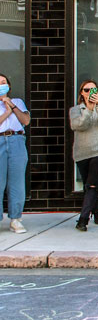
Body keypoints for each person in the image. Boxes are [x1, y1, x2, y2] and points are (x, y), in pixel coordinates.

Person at [70, 80, 98, 232]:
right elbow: (79, 126)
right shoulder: (76, 110)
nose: (90, 92)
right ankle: (96, 212)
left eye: (93, 89)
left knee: (92, 184)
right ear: (81, 93)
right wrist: (88, 110)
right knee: (88, 185)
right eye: (87, 90)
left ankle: (83, 220)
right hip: (82, 153)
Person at [0, 73, 30, 233]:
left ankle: (16, 219)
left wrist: (11, 106)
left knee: (17, 182)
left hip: (17, 140)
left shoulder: (17, 102)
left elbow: (25, 121)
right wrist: (5, 112)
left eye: (3, 82)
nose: (1, 85)